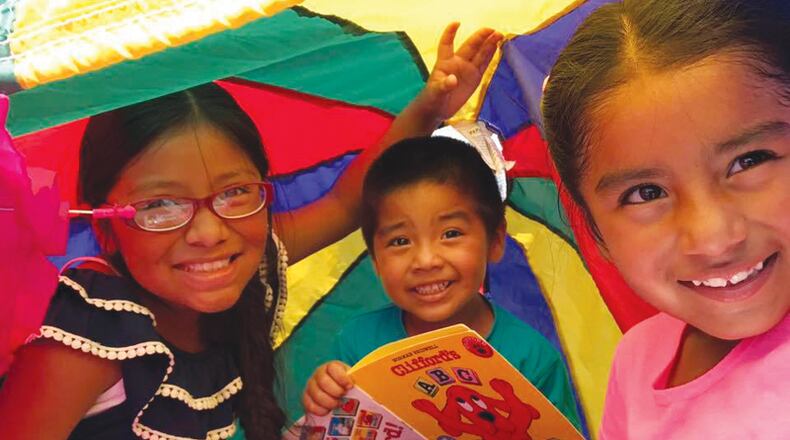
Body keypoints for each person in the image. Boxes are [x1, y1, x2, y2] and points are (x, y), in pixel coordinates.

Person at [0, 24, 502, 439]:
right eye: (160, 205)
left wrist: (429, 109)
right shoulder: (89, 335)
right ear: (107, 227)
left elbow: (347, 201)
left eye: (235, 192)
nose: (209, 232)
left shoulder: (250, 264)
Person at [541, 0, 790, 437]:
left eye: (749, 161)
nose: (713, 239)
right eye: (646, 194)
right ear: (596, 233)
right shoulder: (638, 356)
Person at [301, 137, 581, 429]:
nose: (425, 260)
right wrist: (324, 399)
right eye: (400, 241)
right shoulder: (356, 344)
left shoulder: (531, 358)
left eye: (450, 234)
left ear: (495, 240)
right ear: (375, 260)